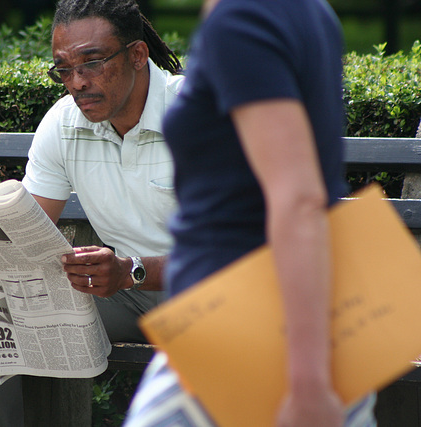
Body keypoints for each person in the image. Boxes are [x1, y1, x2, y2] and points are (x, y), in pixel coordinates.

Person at [124, 0, 377, 426]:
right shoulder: (310, 11)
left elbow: (299, 198)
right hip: (296, 320)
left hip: (246, 326)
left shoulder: (242, 18)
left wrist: (308, 384)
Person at [0, 0, 184, 425]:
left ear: (137, 55)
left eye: (92, 62)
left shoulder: (200, 116)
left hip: (214, 293)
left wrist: (130, 271)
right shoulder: (66, 123)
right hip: (127, 295)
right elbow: (20, 230)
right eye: (64, 69)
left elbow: (242, 252)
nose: (77, 82)